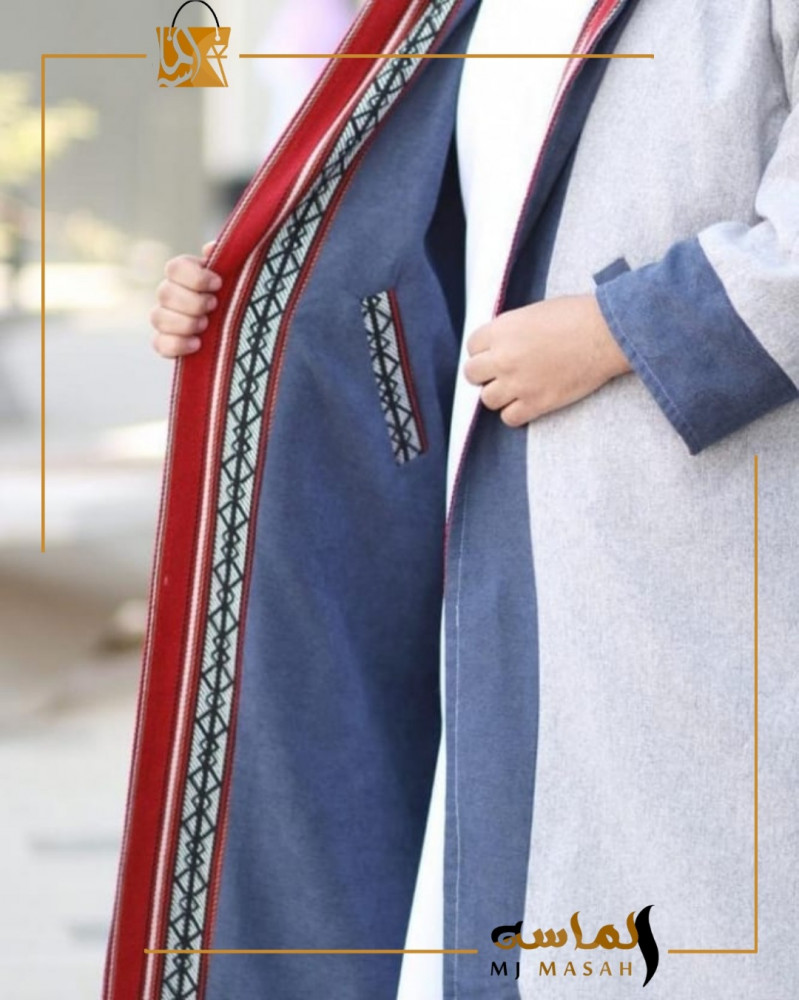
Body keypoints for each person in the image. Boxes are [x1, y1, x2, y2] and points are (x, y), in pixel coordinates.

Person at [108, 1, 799, 998]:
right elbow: (421, 244)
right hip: (507, 567)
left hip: (706, 576)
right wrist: (252, 294)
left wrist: (616, 329)